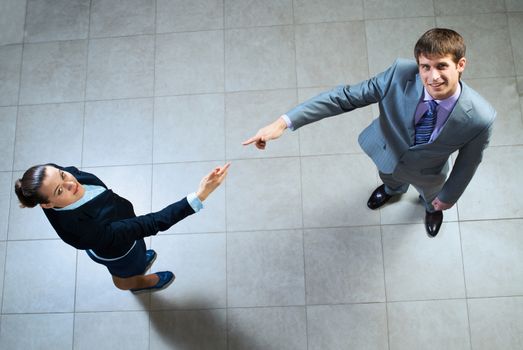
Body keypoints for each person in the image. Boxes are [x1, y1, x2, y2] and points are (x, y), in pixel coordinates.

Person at [243, 28, 495, 237]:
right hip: (387, 154)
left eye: (442, 66)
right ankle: (391, 191)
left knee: (433, 199)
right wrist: (283, 122)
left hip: (430, 173)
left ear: (460, 65)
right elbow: (343, 98)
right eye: (425, 67)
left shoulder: (481, 117)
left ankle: (432, 210)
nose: (432, 77)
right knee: (390, 180)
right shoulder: (398, 74)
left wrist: (448, 197)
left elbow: (468, 163)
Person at [14, 162, 230, 293]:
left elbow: (60, 177)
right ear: (48, 204)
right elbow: (151, 223)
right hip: (117, 251)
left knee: (139, 251)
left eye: (62, 174)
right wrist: (200, 195)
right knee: (126, 273)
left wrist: (60, 180)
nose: (72, 183)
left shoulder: (49, 180)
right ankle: (139, 283)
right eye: (61, 191)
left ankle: (139, 262)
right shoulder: (87, 231)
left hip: (122, 230)